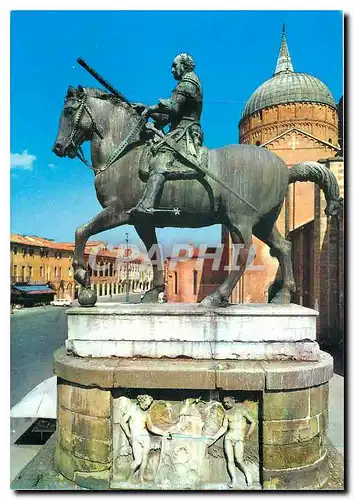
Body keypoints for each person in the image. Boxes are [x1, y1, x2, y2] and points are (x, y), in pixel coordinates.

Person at [129, 53, 203, 215]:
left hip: (186, 132)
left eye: (175, 66)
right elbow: (168, 116)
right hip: (180, 129)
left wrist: (151, 108)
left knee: (161, 160)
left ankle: (147, 204)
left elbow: (173, 107)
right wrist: (146, 110)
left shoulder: (187, 83)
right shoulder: (187, 83)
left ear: (184, 66)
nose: (172, 70)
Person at [209, 396, 256, 488]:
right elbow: (223, 428)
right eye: (224, 403)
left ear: (233, 400)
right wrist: (214, 438)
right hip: (228, 438)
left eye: (227, 402)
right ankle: (233, 479)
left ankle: (248, 474)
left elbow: (253, 422)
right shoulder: (227, 413)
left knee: (239, 460)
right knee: (230, 461)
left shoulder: (242, 410)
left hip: (239, 438)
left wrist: (248, 434)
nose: (226, 404)